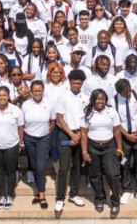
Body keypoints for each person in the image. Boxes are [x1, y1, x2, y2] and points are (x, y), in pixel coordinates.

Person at [82, 88, 122, 215]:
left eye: (102, 99)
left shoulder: (112, 112)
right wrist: (84, 152)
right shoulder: (87, 113)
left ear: (106, 100)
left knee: (112, 175)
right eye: (98, 98)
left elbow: (117, 131)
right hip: (93, 147)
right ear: (93, 100)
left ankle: (115, 202)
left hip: (109, 147)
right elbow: (83, 133)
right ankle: (99, 198)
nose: (100, 101)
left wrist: (119, 148)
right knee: (95, 175)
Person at [54, 69, 89, 212]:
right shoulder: (63, 97)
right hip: (65, 134)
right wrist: (71, 135)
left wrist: (79, 135)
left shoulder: (86, 98)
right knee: (63, 168)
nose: (75, 85)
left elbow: (87, 119)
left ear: (82, 83)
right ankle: (60, 198)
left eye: (78, 83)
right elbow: (59, 118)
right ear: (69, 82)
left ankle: (73, 194)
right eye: (73, 82)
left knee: (77, 166)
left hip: (81, 134)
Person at [0, 85, 24, 209]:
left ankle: (9, 195)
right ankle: (2, 195)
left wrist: (20, 142)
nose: (2, 97)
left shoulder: (16, 110)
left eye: (4, 95)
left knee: (11, 172)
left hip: (11, 145)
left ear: (8, 96)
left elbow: (20, 128)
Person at [114, 78, 137, 207]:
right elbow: (116, 123)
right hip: (124, 137)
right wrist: (127, 136)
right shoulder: (114, 101)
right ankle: (127, 189)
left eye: (129, 90)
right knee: (124, 162)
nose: (128, 94)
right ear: (119, 92)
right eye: (125, 92)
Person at [21, 80, 54, 209]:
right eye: (35, 91)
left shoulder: (49, 105)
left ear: (43, 90)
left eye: (39, 90)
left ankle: (42, 195)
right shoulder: (26, 105)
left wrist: (47, 133)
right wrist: (23, 138)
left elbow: (53, 121)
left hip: (43, 139)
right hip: (29, 138)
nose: (37, 93)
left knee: (40, 166)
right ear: (31, 91)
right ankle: (38, 189)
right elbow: (22, 123)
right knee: (34, 165)